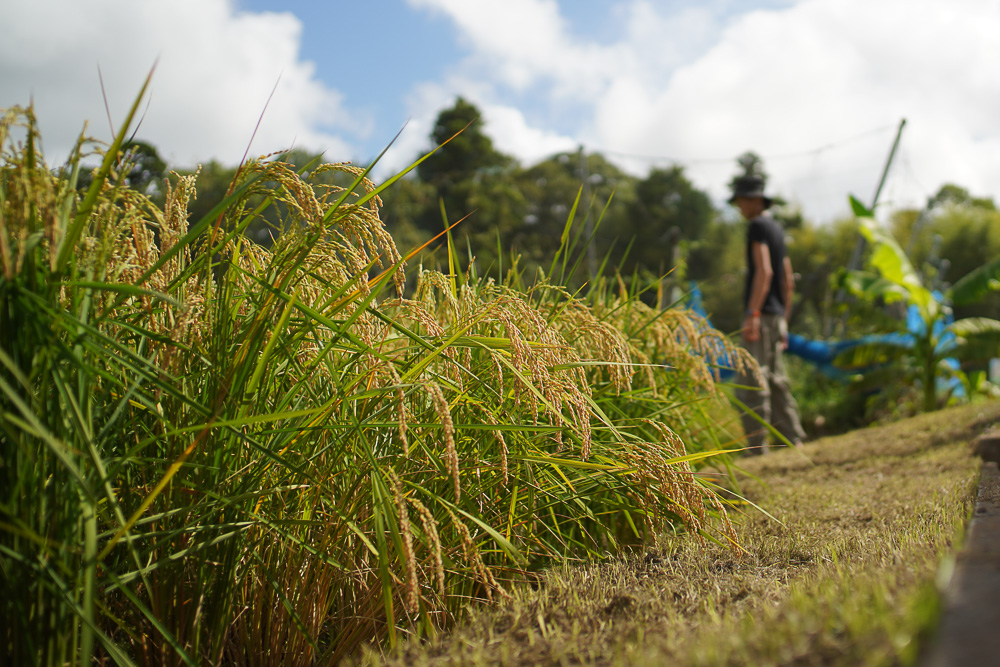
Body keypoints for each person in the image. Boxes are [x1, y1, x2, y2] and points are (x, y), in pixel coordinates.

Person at [729, 175, 806, 454]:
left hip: (760, 315)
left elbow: (766, 271)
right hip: (775, 316)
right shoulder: (776, 229)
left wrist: (753, 313)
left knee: (752, 380)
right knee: (775, 379)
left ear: (753, 201)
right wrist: (783, 319)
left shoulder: (757, 227)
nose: (739, 207)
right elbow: (788, 280)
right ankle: (792, 439)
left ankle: (756, 449)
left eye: (741, 201)